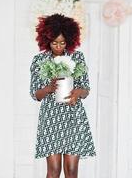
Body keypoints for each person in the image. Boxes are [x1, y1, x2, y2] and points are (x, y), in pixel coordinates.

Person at [29, 13, 96, 178]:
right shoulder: (39, 60)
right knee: (53, 171)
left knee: (72, 171)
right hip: (51, 118)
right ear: (47, 41)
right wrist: (49, 88)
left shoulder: (77, 57)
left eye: (62, 42)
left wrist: (77, 93)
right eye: (54, 43)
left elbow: (86, 89)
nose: (58, 46)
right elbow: (35, 94)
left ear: (69, 40)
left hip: (73, 116)